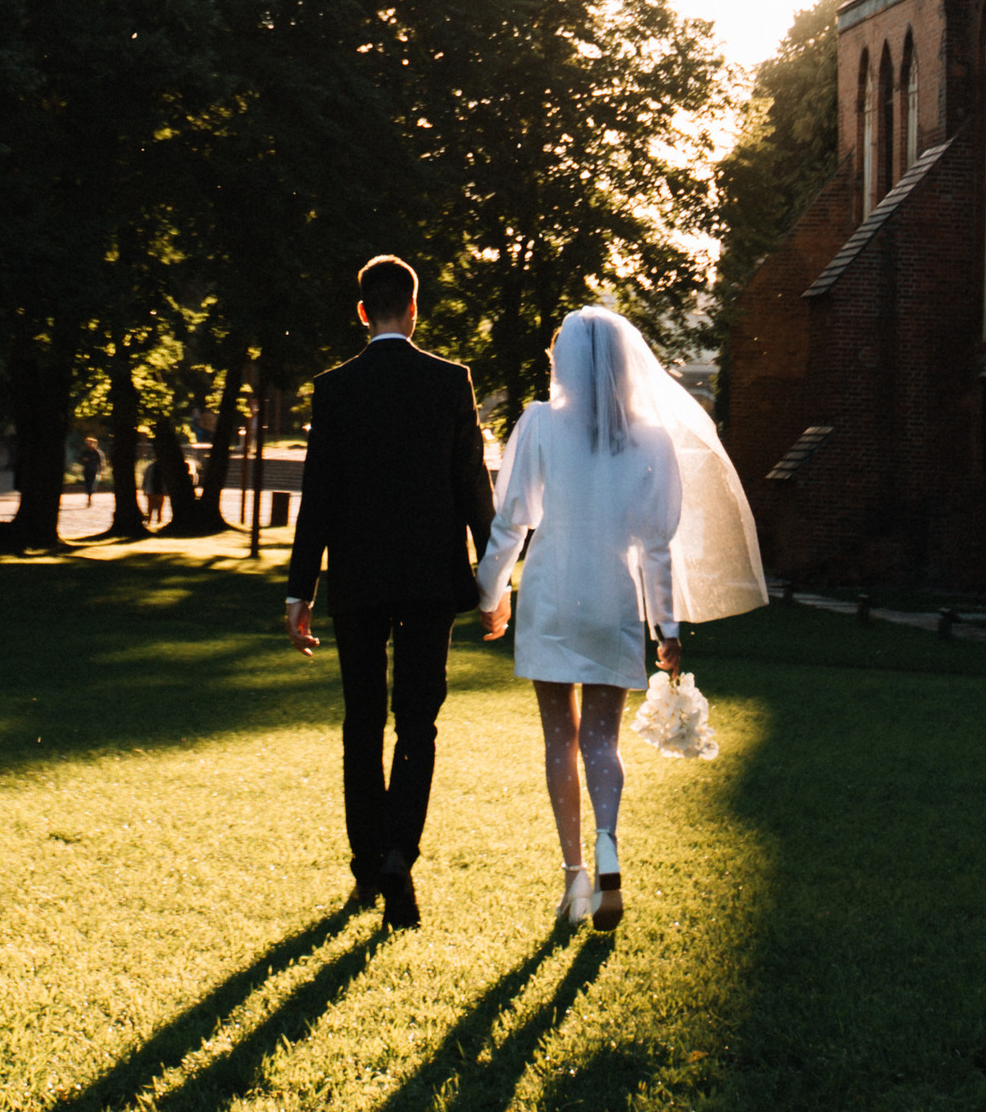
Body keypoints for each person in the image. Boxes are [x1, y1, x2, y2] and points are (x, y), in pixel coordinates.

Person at [477, 307, 768, 934]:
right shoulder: (651, 438)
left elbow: (513, 520)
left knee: (560, 738)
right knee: (601, 741)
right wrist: (667, 629)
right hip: (614, 598)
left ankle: (575, 876)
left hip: (553, 594)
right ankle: (608, 845)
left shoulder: (539, 423)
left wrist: (489, 591)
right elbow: (656, 547)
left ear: (567, 363)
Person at [283, 254, 494, 932]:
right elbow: (473, 485)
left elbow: (318, 495)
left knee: (362, 722)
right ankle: (401, 849)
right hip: (431, 579)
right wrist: (493, 581)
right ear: (414, 308)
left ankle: (366, 862)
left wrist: (299, 591)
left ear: (362, 312)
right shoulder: (451, 381)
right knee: (418, 721)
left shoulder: (334, 389)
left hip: (359, 579)